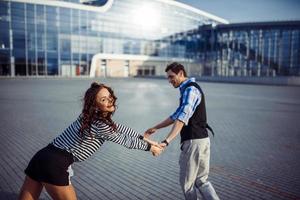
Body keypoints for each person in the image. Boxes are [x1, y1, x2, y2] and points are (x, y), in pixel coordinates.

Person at [19, 82, 162, 200]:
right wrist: (151, 148)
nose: (109, 100)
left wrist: (146, 139)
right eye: (103, 99)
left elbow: (121, 128)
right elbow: (124, 140)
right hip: (55, 165)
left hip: (41, 156)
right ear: (95, 105)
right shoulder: (100, 126)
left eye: (109, 96)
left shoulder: (87, 117)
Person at [144, 62, 220, 200]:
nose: (169, 80)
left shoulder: (190, 90)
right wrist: (155, 127)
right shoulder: (188, 90)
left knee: (187, 184)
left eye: (171, 76)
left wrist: (166, 141)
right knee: (201, 181)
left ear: (181, 73)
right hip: (202, 140)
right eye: (167, 77)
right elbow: (176, 115)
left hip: (193, 142)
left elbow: (181, 118)